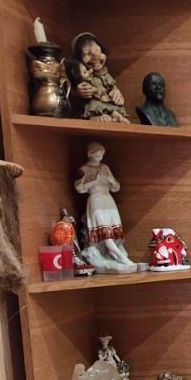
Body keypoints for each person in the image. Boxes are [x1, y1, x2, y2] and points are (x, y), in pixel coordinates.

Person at [74, 141, 136, 273]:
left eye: (101, 154)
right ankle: (121, 258)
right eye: (97, 155)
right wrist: (94, 181)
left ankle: (115, 254)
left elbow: (116, 187)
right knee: (104, 230)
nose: (100, 157)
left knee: (113, 230)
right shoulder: (84, 169)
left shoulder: (105, 168)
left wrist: (112, 181)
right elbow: (79, 188)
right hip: (95, 200)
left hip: (108, 200)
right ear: (90, 154)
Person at [68, 33, 130, 123]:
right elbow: (70, 91)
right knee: (92, 103)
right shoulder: (84, 75)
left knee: (115, 104)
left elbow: (111, 85)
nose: (95, 55)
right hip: (92, 102)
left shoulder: (104, 73)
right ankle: (94, 116)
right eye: (87, 53)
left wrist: (115, 91)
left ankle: (115, 115)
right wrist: (77, 92)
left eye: (98, 50)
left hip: (106, 100)